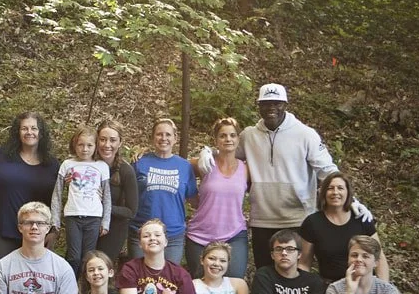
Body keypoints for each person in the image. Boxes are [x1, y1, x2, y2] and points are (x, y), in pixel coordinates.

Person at [232, 83, 367, 270]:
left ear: (285, 105)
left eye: (277, 103)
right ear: (259, 106)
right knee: (265, 272)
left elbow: (327, 170)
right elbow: (227, 157)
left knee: (296, 273)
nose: (272, 108)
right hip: (262, 218)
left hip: (298, 219)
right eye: (266, 103)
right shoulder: (248, 136)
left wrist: (351, 199)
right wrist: (208, 154)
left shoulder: (305, 134)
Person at [0, 111, 60, 267]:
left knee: (30, 280)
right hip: (1, 231)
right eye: (24, 128)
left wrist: (53, 230)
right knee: (2, 278)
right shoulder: (2, 156)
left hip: (36, 233)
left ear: (41, 133)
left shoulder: (52, 165)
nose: (29, 132)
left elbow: (56, 200)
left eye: (34, 128)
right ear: (17, 132)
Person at [186, 117, 248, 278]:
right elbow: (175, 167)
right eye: (223, 135)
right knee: (200, 284)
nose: (228, 139)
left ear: (238, 139)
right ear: (216, 140)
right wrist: (192, 198)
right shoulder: (205, 163)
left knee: (234, 281)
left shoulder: (246, 169)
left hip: (234, 233)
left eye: (232, 135)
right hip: (201, 235)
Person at [129, 118, 196, 263]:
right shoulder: (139, 162)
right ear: (153, 138)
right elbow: (127, 195)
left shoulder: (185, 166)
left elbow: (193, 198)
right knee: (140, 275)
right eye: (159, 134)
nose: (163, 138)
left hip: (173, 235)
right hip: (142, 232)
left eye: (168, 134)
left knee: (170, 276)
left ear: (175, 138)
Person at [51, 125, 112, 276]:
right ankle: (69, 285)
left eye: (89, 145)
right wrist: (55, 220)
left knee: (88, 257)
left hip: (94, 217)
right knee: (74, 256)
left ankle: (85, 286)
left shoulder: (101, 166)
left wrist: (105, 221)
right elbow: (57, 193)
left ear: (95, 146)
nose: (85, 149)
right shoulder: (67, 164)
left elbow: (107, 196)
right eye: (81, 145)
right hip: (73, 215)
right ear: (75, 145)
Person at [95, 120, 138, 261]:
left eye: (112, 140)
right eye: (102, 139)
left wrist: (104, 206)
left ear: (120, 143)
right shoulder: (87, 165)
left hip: (114, 229)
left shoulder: (126, 171)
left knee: (101, 266)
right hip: (87, 225)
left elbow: (131, 211)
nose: (107, 145)